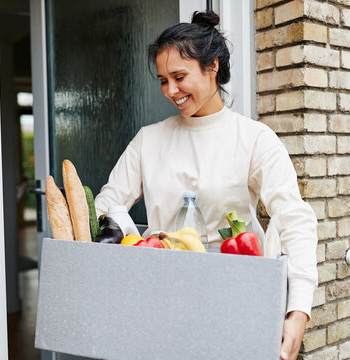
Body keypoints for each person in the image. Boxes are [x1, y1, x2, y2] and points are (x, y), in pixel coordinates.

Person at [94, 10, 318, 360]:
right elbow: (106, 205)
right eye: (162, 80)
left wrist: (299, 309)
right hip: (160, 304)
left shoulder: (254, 138)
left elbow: (294, 219)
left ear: (211, 66)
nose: (170, 91)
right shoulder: (148, 140)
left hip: (238, 303)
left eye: (179, 76)